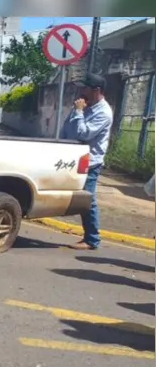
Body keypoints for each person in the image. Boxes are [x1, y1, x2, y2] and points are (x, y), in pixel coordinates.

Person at [60, 73, 113, 251]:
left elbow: (83, 134)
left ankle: (92, 239)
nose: (81, 91)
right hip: (72, 158)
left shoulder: (103, 112)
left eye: (85, 88)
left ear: (96, 90)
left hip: (89, 163)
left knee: (88, 199)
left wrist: (78, 112)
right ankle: (90, 237)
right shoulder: (84, 107)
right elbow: (67, 129)